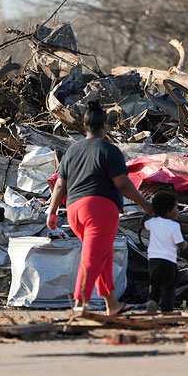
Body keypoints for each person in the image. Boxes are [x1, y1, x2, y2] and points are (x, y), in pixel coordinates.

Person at [47, 100, 153, 316]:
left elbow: (60, 184)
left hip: (74, 210)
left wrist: (51, 211)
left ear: (85, 126)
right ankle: (79, 305)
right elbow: (122, 183)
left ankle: (111, 304)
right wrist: (146, 205)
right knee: (92, 258)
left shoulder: (72, 151)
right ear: (105, 126)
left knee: (103, 256)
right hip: (99, 209)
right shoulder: (109, 150)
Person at [142, 191, 188, 314]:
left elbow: (143, 224)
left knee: (155, 283)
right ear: (169, 211)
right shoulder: (174, 226)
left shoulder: (152, 222)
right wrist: (185, 245)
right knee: (169, 286)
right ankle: (166, 309)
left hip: (153, 260)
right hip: (169, 261)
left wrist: (148, 213)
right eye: (176, 208)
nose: (178, 210)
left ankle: (152, 301)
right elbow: (179, 243)